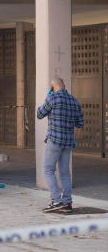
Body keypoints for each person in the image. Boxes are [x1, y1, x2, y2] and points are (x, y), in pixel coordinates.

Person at [37, 77, 84, 213]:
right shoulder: (74, 101)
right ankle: (67, 203)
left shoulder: (52, 99)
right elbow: (80, 125)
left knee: (48, 169)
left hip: (54, 141)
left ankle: (56, 200)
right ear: (64, 85)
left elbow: (39, 114)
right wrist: (75, 139)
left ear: (52, 87)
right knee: (64, 172)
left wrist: (46, 98)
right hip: (68, 143)